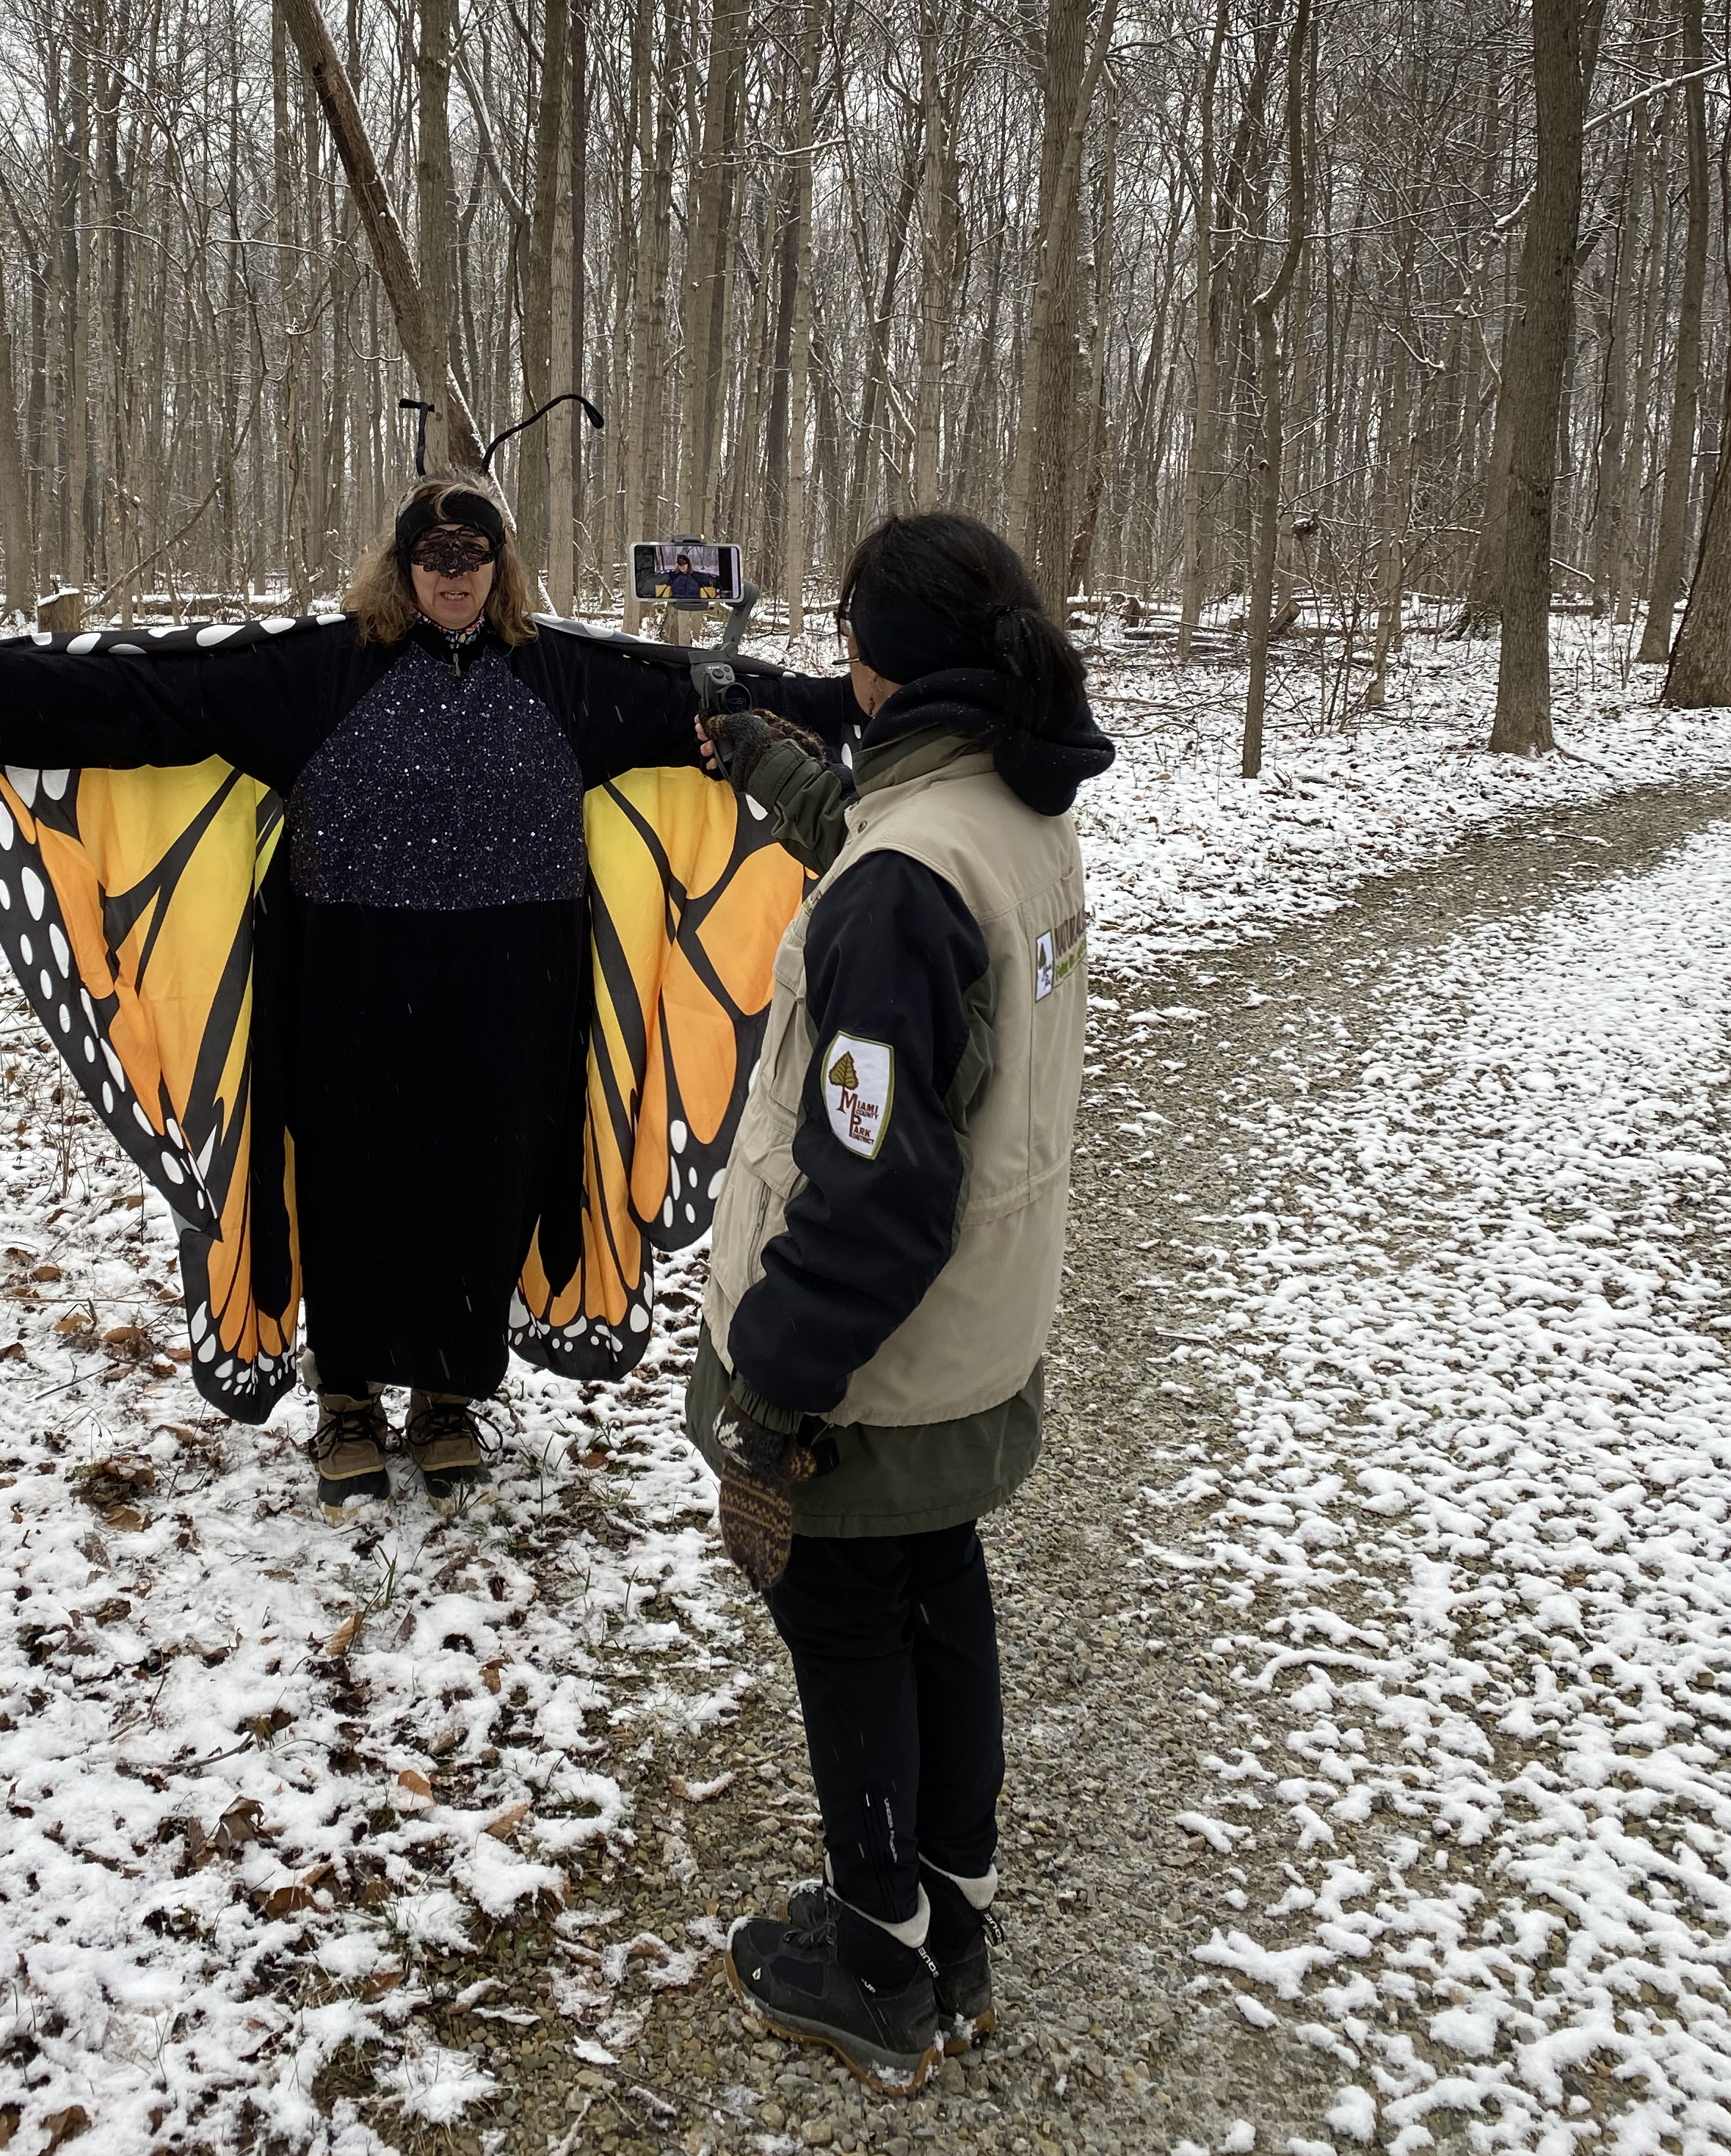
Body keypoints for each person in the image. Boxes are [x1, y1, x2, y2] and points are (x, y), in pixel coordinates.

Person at [0, 476, 745, 1524]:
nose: (454, 575)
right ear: (402, 565)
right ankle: (348, 1399)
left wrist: (859, 709)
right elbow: (162, 704)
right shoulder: (329, 672)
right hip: (352, 986)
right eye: (434, 555)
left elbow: (704, 701)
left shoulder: (560, 680)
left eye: (474, 555)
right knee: (351, 1186)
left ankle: (448, 1397)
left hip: (515, 990)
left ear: (501, 568)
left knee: (483, 1179)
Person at [687, 512, 1116, 2089]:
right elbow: (885, 855)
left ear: (877, 660)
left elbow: (870, 1188)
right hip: (969, 1349)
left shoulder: (903, 889)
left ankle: (877, 1958)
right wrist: (770, 762)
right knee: (940, 1597)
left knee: (848, 1622)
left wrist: (774, 1399)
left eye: (846, 639)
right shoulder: (1013, 799)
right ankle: (956, 1917)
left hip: (870, 1375)